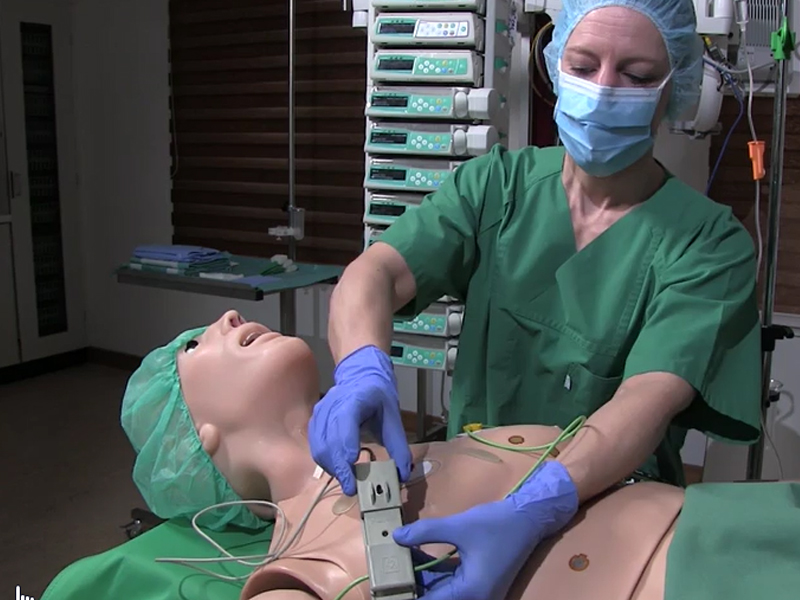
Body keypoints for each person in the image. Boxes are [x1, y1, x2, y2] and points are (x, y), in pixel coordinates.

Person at [309, 2, 762, 599]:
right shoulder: (495, 186)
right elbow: (376, 273)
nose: (604, 90)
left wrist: (538, 503)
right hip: (471, 491)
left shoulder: (708, 242)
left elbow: (648, 398)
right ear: (555, 66)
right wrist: (360, 368)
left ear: (675, 89)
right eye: (584, 65)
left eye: (636, 75)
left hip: (613, 516)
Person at [119, 311, 687, 600]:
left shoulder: (422, 450)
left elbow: (374, 273)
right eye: (193, 345)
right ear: (201, 437)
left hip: (709, 520)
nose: (227, 318)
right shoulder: (302, 569)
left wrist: (362, 367)